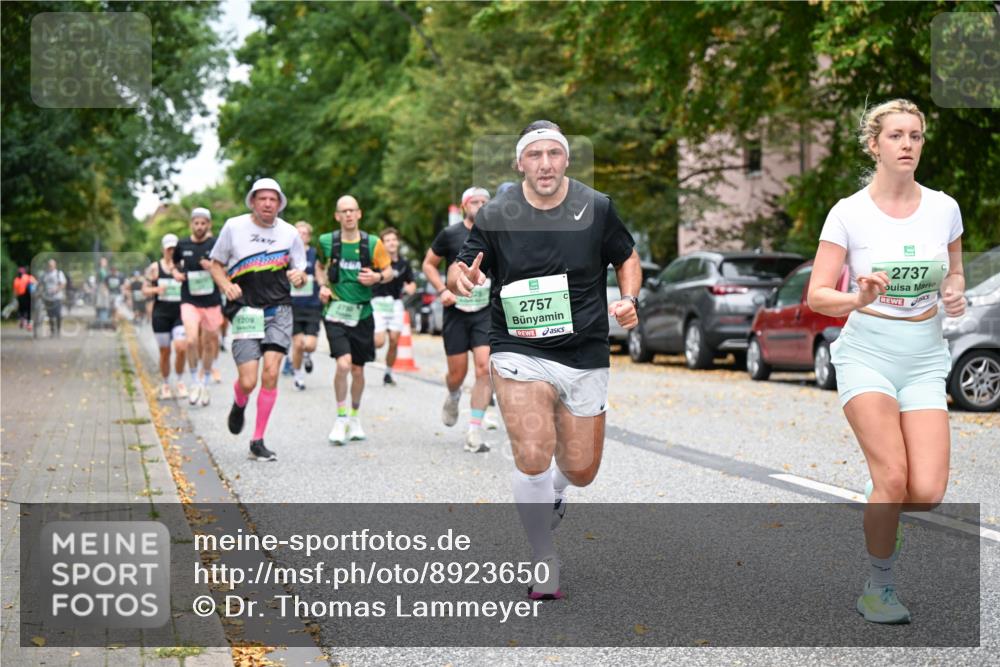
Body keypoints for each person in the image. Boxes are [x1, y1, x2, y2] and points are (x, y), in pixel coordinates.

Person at [449, 120, 640, 598]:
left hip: (585, 349)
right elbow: (463, 266)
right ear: (520, 163)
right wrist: (461, 279)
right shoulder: (497, 213)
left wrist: (630, 298)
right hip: (519, 348)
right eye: (535, 155)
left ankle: (558, 489)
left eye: (554, 153)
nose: (545, 163)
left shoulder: (597, 207)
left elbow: (627, 257)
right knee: (532, 453)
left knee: (581, 470)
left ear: (567, 159)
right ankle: (542, 557)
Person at [807, 99, 965, 625]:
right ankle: (879, 587)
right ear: (874, 145)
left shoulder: (944, 208)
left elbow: (954, 273)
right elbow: (817, 295)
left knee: (926, 492)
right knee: (893, 476)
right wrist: (857, 297)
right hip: (867, 353)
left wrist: (957, 292)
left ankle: (883, 505)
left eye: (915, 136)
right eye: (896, 135)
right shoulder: (848, 213)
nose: (907, 145)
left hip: (924, 357)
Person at [209, 178, 308, 462]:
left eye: (273, 199)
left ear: (279, 203)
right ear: (253, 201)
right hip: (244, 311)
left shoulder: (290, 233)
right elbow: (216, 264)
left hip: (279, 309)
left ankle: (257, 440)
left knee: (272, 373)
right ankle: (239, 401)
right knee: (249, 381)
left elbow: (300, 272)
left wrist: (299, 277)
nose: (267, 204)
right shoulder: (233, 227)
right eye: (262, 199)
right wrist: (225, 285)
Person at [316, 195, 393, 445]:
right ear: (337, 216)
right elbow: (318, 267)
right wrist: (322, 286)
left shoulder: (373, 243)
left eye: (352, 210)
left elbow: (389, 271)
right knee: (343, 364)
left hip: (363, 314)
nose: (348, 215)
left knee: (358, 370)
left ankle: (355, 416)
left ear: (359, 214)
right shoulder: (327, 242)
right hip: (335, 312)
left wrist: (377, 278)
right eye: (343, 211)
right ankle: (340, 418)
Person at [424, 187, 496, 453]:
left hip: (484, 312)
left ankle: (474, 431)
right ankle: (453, 395)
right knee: (457, 374)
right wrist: (442, 290)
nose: (480, 205)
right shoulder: (450, 234)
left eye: (485, 202)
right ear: (465, 206)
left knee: (482, 368)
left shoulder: (495, 234)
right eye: (474, 202)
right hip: (455, 311)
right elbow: (428, 264)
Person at [173, 207, 224, 407]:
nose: (200, 227)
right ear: (191, 224)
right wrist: (176, 274)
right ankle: (194, 380)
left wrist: (212, 267)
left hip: (211, 301)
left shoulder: (215, 244)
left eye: (204, 223)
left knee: (211, 343)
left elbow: (225, 266)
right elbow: (174, 264)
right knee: (192, 340)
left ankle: (205, 380)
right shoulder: (182, 244)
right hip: (190, 299)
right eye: (197, 223)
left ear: (208, 225)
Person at [372, 227, 417, 386]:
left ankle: (388, 373)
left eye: (393, 240)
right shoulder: (376, 262)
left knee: (394, 340)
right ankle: (364, 345)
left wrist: (411, 287)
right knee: (379, 342)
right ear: (383, 244)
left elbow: (411, 282)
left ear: (397, 242)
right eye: (387, 240)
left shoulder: (404, 263)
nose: (391, 243)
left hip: (396, 303)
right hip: (378, 302)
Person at [146, 234, 188, 400]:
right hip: (161, 314)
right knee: (165, 352)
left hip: (179, 314)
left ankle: (179, 381)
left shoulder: (183, 266)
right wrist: (156, 290)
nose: (172, 251)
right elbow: (144, 289)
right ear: (163, 249)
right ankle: (165, 384)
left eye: (174, 248)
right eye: (169, 248)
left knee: (181, 348)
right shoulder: (155, 268)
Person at [287, 221, 323, 391]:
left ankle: (307, 356)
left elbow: (321, 274)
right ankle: (298, 376)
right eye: (298, 233)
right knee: (298, 344)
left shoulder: (315, 255)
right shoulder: (288, 256)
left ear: (309, 237)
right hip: (294, 306)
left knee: (310, 344)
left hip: (312, 305)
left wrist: (323, 286)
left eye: (304, 233)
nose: (301, 236)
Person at [40, 258, 68, 337]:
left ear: (55, 265)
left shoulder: (59, 273)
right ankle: (52, 331)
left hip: (57, 297)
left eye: (52, 265)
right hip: (47, 298)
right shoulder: (45, 274)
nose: (50, 266)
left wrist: (57, 289)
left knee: (58, 314)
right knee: (50, 315)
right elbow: (41, 284)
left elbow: (63, 283)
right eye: (49, 265)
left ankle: (58, 330)